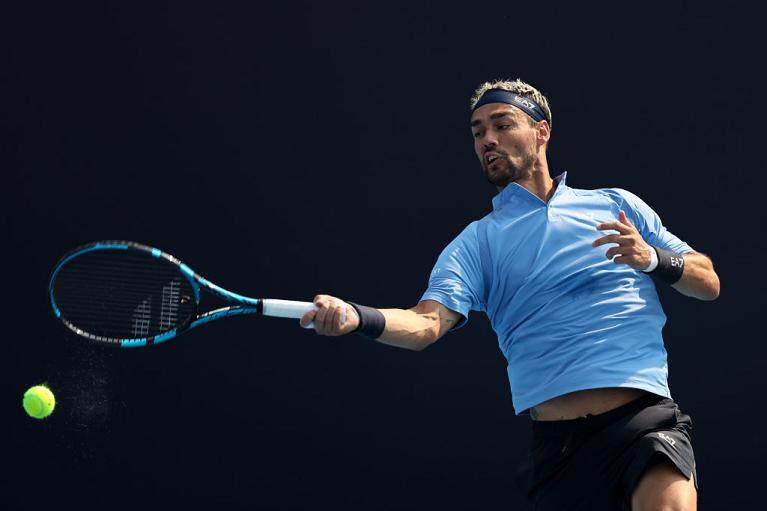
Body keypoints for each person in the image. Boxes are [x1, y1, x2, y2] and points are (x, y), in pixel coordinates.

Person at [300, 79, 719, 510]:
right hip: (560, 450)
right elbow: (426, 324)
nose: (488, 140)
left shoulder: (617, 205)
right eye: (478, 132)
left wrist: (653, 258)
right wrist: (356, 316)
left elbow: (708, 282)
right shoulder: (476, 243)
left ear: (542, 131)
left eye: (501, 124)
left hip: (646, 424)